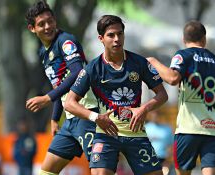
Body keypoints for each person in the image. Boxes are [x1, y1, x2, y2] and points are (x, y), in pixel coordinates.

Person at [65, 15, 168, 175]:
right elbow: (70, 103)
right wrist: (96, 117)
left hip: (135, 134)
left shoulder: (140, 63)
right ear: (101, 38)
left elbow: (162, 94)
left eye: (120, 34)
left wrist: (144, 109)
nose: (116, 39)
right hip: (106, 135)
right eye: (111, 35)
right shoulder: (92, 68)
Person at [147, 20, 215, 175]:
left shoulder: (183, 55)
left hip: (189, 129)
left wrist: (153, 62)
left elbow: (173, 78)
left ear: (183, 39)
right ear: (204, 39)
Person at [24, 1, 98, 174]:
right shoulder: (43, 52)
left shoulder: (65, 41)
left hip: (87, 113)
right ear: (32, 28)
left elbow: (77, 72)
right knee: (47, 170)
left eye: (50, 21)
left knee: (101, 170)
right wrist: (55, 118)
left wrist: (47, 98)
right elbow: (59, 85)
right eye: (41, 24)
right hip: (70, 120)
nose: (48, 26)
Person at [145, 110, 174, 175]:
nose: (155, 116)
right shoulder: (145, 128)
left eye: (157, 114)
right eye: (153, 114)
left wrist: (168, 160)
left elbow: (171, 145)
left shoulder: (167, 128)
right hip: (148, 159)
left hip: (163, 159)